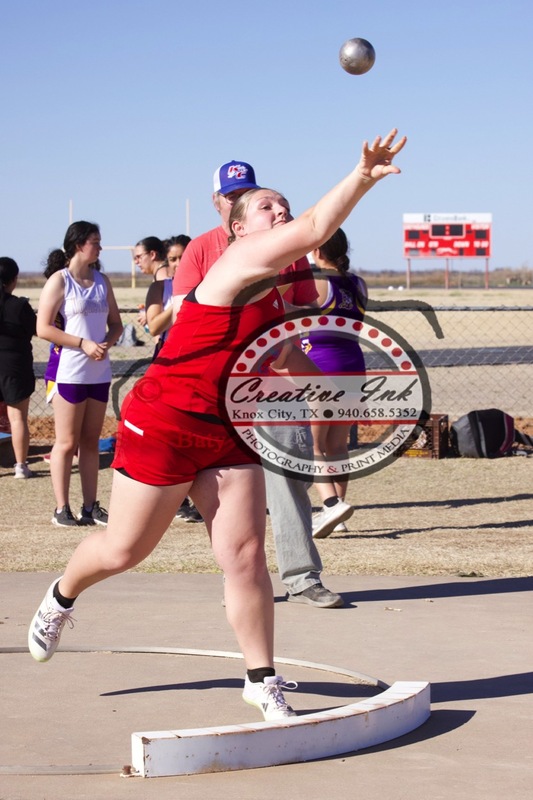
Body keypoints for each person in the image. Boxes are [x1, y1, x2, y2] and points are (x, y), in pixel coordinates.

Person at [28, 128, 406, 722]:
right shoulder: (234, 263)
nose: (278, 210)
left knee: (246, 554)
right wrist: (361, 175)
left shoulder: (277, 295)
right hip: (166, 419)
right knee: (125, 549)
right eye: (265, 207)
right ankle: (61, 595)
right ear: (238, 229)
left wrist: (334, 393)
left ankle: (261, 678)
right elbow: (312, 227)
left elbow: (286, 358)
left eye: (281, 203)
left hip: (228, 429)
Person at [173, 159, 343, 607]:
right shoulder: (201, 249)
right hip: (215, 387)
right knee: (218, 489)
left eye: (249, 193)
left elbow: (304, 309)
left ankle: (303, 576)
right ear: (219, 205)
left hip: (273, 382)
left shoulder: (288, 250)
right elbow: (179, 313)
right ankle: (242, 580)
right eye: (231, 196)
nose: (238, 200)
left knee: (287, 476)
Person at [37, 221, 123, 527]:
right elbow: (43, 328)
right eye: (95, 242)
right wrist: (82, 343)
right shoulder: (59, 281)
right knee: (66, 442)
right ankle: (62, 509)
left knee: (90, 441)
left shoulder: (102, 281)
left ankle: (90, 506)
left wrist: (106, 343)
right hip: (68, 371)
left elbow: (116, 323)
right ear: (77, 245)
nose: (99, 247)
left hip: (98, 373)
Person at [302, 228, 368, 537]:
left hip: (321, 366)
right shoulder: (358, 284)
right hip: (353, 365)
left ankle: (331, 507)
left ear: (317, 251)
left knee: (313, 445)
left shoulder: (317, 283)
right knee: (338, 445)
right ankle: (338, 511)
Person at [144, 234, 201, 523]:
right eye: (174, 259)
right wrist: (177, 303)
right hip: (167, 363)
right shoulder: (159, 288)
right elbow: (154, 327)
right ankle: (174, 497)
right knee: (170, 433)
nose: (179, 264)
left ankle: (197, 497)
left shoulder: (208, 284)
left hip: (199, 364)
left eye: (184, 257)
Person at [0, 257, 37, 478]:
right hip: (16, 368)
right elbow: (37, 328)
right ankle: (21, 466)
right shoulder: (20, 306)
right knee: (17, 418)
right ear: (14, 279)